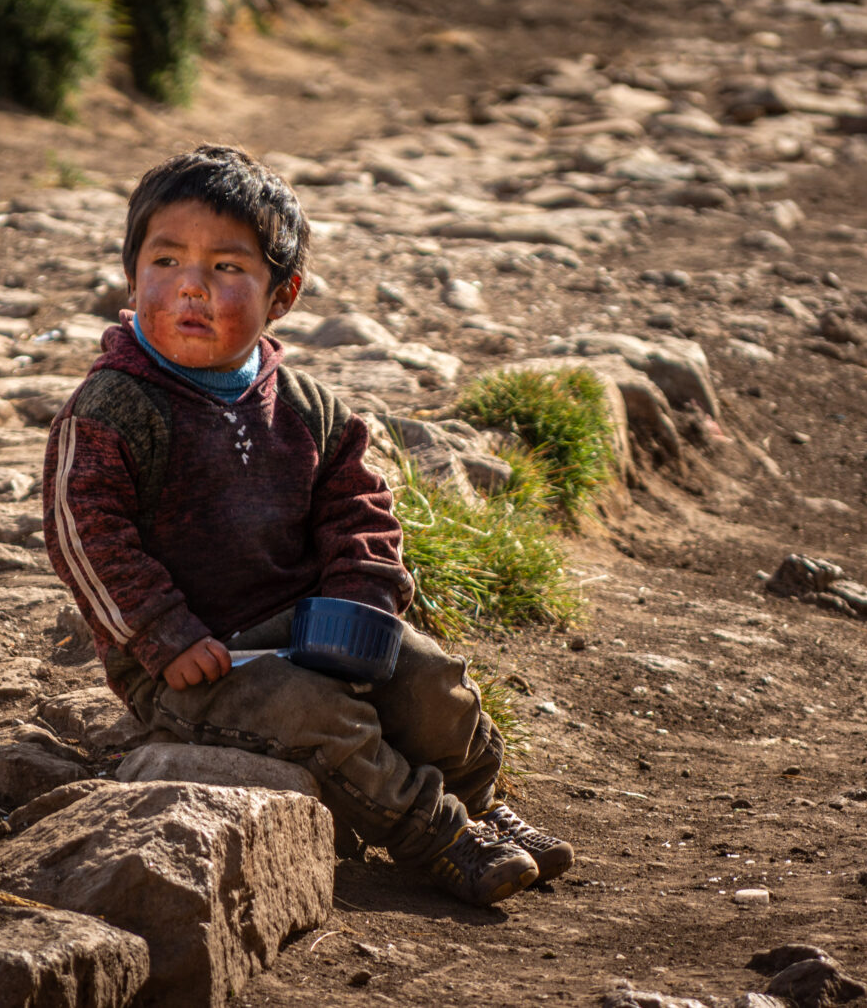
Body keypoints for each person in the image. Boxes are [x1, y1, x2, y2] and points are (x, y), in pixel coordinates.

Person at [41, 144, 573, 907]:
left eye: (227, 268)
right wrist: (164, 634)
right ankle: (437, 834)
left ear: (281, 294)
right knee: (315, 716)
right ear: (133, 275)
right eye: (166, 260)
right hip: (197, 662)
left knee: (430, 681)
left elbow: (360, 509)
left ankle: (482, 802)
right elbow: (85, 535)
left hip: (311, 625)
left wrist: (360, 598)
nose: (191, 285)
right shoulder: (113, 409)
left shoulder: (307, 407)